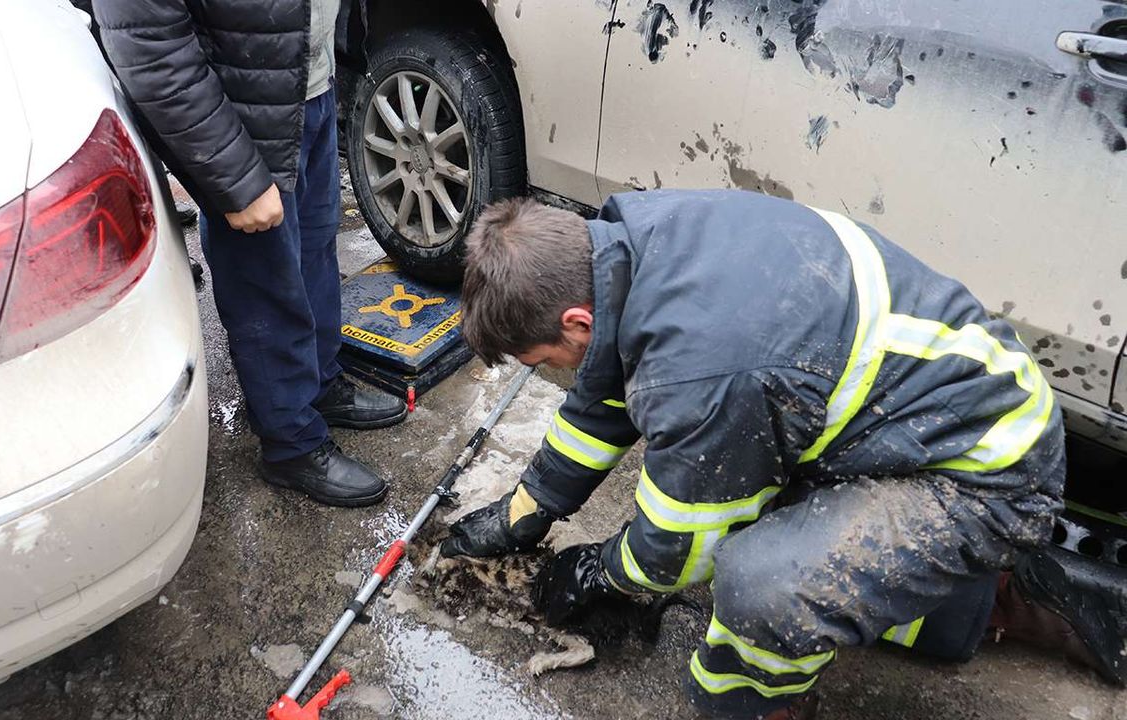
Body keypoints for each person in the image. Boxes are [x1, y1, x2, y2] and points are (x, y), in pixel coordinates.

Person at [440, 191, 1126, 719]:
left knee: (758, 583)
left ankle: (763, 708)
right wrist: (525, 511)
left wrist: (602, 573)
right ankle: (1011, 601)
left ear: (576, 321)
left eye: (544, 360)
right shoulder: (630, 245)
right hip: (926, 415)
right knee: (782, 526)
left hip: (981, 472)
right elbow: (602, 394)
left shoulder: (700, 371)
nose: (556, 371)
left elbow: (677, 547)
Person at [93, 0, 409, 507]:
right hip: (240, 116)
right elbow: (149, 44)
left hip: (308, 87)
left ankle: (319, 383)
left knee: (315, 255)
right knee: (265, 285)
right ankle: (290, 440)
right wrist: (234, 177)